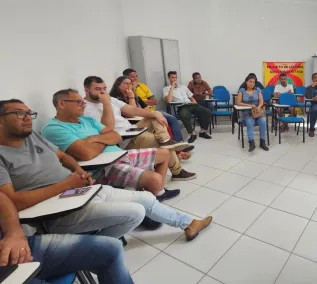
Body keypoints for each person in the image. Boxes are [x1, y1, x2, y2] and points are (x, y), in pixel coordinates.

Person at [0, 99, 212, 238]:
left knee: (147, 199)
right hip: (58, 210)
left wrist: (78, 173)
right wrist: (68, 183)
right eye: (19, 114)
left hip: (78, 189)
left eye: (29, 113)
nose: (28, 117)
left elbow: (65, 156)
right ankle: (99, 241)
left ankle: (187, 223)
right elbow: (14, 202)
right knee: (136, 211)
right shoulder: (10, 151)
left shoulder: (33, 138)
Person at [42, 89, 180, 202]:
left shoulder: (86, 119)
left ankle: (155, 196)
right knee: (154, 179)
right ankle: (150, 197)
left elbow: (115, 136)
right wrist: (104, 139)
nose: (83, 105)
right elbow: (87, 153)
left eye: (82, 102)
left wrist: (93, 139)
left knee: (164, 153)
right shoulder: (53, 128)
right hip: (103, 167)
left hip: (119, 154)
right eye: (78, 102)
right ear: (61, 104)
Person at [0, 190, 134, 283]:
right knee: (134, 211)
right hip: (6, 274)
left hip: (17, 246)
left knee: (111, 248)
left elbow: (2, 198)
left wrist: (14, 233)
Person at [82, 77, 196, 181]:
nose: (102, 92)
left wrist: (154, 114)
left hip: (131, 129)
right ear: (87, 90)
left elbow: (132, 110)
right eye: (98, 89)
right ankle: (177, 171)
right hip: (122, 140)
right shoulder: (85, 108)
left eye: (104, 88)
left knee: (155, 115)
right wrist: (106, 104)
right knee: (157, 141)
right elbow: (107, 129)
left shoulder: (110, 99)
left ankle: (166, 141)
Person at [110, 76, 193, 161]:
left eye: (130, 84)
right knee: (159, 119)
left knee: (163, 121)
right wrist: (131, 99)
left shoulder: (135, 95)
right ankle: (177, 151)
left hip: (142, 118)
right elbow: (131, 114)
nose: (129, 86)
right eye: (126, 83)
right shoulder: (115, 98)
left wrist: (140, 110)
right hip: (131, 125)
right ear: (118, 85)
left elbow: (147, 108)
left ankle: (174, 147)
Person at [124, 68, 186, 144]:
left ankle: (179, 141)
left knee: (172, 118)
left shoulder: (143, 86)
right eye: (132, 77)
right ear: (126, 79)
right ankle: (171, 144)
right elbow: (132, 109)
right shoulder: (127, 91)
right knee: (161, 121)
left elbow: (154, 101)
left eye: (136, 76)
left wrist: (142, 103)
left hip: (151, 111)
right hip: (141, 115)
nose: (135, 78)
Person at [163, 71, 212, 143]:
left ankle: (203, 132)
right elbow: (169, 100)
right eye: (172, 77)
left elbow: (191, 97)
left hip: (191, 104)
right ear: (169, 78)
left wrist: (195, 103)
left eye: (175, 77)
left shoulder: (183, 87)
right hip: (182, 106)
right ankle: (192, 133)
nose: (174, 79)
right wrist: (172, 88)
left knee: (207, 112)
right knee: (184, 115)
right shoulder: (166, 89)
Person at [236, 74, 269, 152]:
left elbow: (261, 101)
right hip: (247, 112)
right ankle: (251, 143)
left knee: (263, 121)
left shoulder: (258, 90)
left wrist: (258, 107)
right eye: (250, 81)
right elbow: (238, 102)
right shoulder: (242, 90)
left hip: (257, 112)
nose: (252, 83)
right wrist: (250, 105)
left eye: (253, 82)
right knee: (250, 122)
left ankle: (262, 142)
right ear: (246, 82)